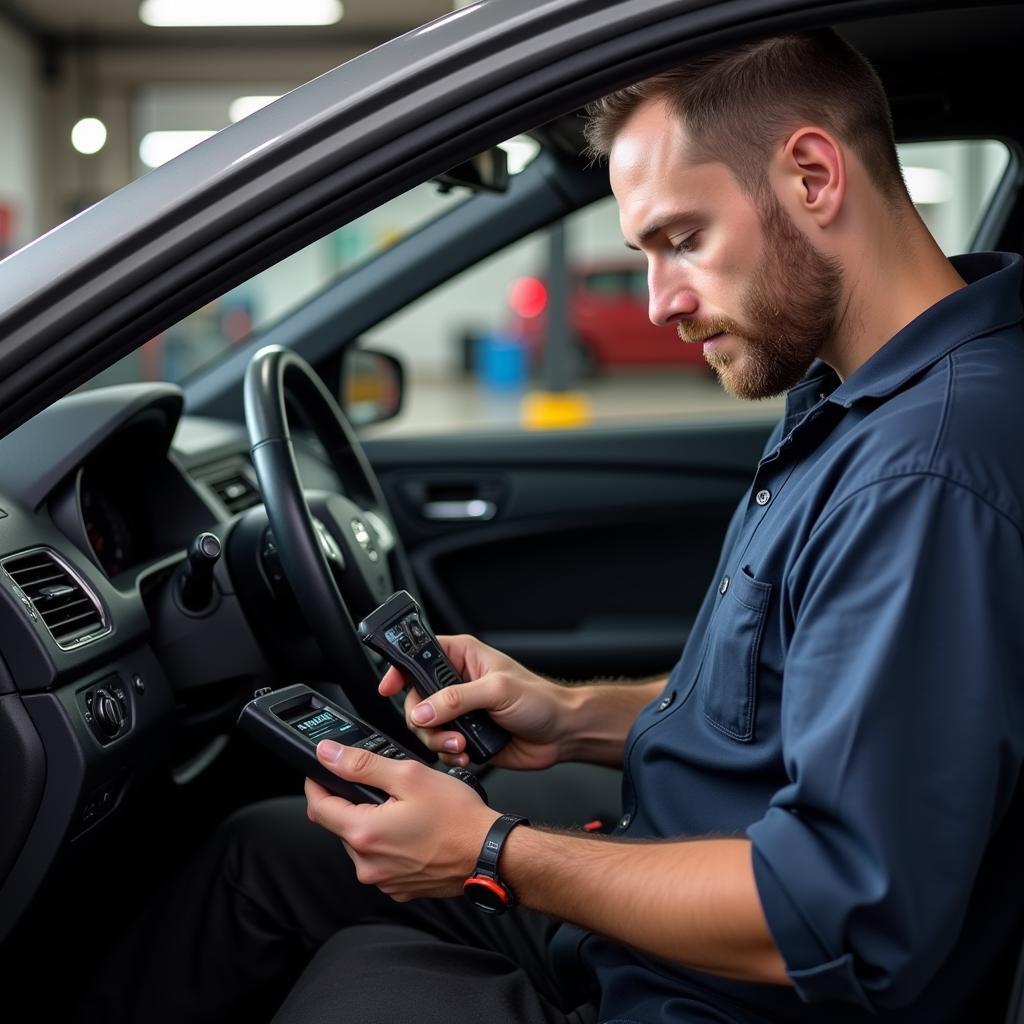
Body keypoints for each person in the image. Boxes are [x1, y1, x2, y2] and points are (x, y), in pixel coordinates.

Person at [75, 28, 1024, 1024]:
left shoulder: (927, 471)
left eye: (681, 238)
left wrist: (490, 852)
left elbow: (841, 920)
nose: (657, 301)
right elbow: (798, 694)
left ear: (812, 175)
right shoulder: (860, 397)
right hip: (664, 909)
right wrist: (568, 714)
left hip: (714, 995)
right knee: (264, 854)